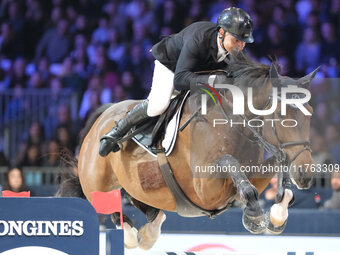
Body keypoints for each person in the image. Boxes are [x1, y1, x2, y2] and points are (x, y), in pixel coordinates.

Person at [99, 7, 254, 156]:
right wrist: (212, 80)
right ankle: (116, 131)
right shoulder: (198, 40)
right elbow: (179, 79)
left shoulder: (235, 46)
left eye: (244, 41)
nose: (241, 46)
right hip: (171, 66)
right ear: (221, 32)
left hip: (196, 71)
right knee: (158, 106)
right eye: (236, 40)